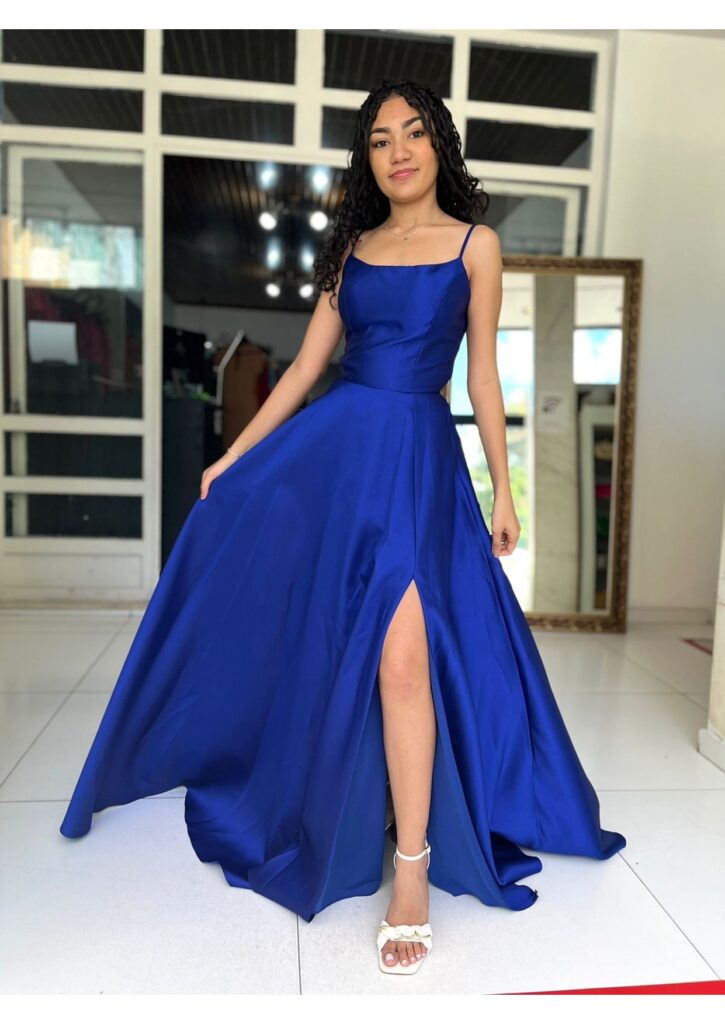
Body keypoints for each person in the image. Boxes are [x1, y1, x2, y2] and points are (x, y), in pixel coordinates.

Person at [59, 79, 626, 977]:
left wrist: (502, 491)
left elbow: (481, 376)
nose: (397, 150)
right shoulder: (349, 252)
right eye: (378, 139)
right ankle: (350, 804)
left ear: (439, 145)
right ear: (366, 160)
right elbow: (299, 373)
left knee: (402, 660)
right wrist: (234, 456)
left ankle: (413, 867)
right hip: (339, 461)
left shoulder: (475, 246)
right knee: (337, 646)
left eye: (413, 132)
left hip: (416, 463)